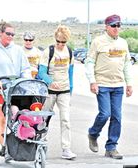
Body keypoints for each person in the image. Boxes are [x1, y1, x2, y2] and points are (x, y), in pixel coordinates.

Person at [85, 14, 133, 159]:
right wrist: (92, 81)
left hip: (118, 85)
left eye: (118, 25)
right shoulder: (98, 42)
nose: (116, 28)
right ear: (106, 27)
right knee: (105, 114)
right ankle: (93, 134)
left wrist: (129, 83)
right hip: (103, 85)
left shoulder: (123, 43)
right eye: (113, 25)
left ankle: (111, 147)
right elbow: (89, 62)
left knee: (117, 117)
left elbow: (126, 64)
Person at [0, 22, 31, 156]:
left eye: (13, 34)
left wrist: (25, 80)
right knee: (1, 118)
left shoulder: (18, 50)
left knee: (9, 118)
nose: (10, 36)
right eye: (8, 33)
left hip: (14, 91)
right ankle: (4, 147)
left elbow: (25, 69)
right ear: (0, 33)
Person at [38, 25, 77, 160]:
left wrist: (71, 88)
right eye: (58, 41)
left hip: (64, 90)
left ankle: (66, 149)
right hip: (50, 90)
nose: (60, 44)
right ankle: (40, 142)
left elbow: (70, 72)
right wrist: (50, 81)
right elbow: (41, 72)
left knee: (65, 119)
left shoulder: (70, 52)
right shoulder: (48, 51)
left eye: (63, 42)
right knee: (44, 118)